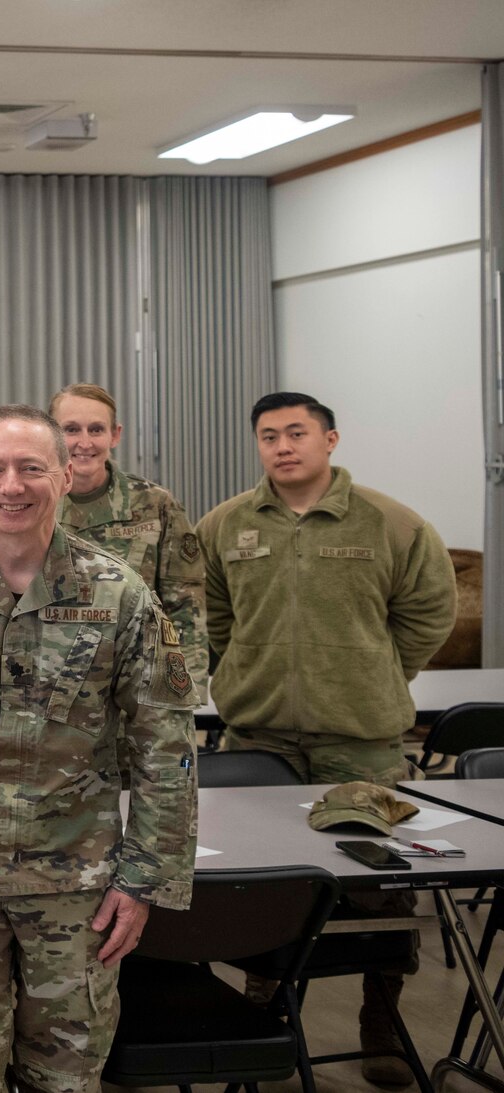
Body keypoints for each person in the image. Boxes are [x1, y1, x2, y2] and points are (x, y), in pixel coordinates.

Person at [0, 404, 198, 1093]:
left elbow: (165, 745)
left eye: (30, 468)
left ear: (67, 471)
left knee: (67, 1071)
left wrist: (142, 880)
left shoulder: (117, 594)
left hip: (75, 882)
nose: (11, 486)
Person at [196, 391, 454, 1089]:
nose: (283, 445)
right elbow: (214, 611)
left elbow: (431, 609)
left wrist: (376, 670)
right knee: (258, 883)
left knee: (380, 884)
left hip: (359, 740)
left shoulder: (390, 522)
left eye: (297, 432)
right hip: (258, 735)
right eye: (269, 435)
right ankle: (262, 1004)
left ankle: (381, 1021)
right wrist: (241, 668)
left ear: (330, 440)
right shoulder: (226, 523)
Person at [51, 383, 206, 666]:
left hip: (137, 677)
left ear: (115, 435)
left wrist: (186, 686)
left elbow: (185, 605)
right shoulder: (31, 502)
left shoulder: (156, 504)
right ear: (51, 435)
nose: (84, 443)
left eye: (96, 429)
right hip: (51, 677)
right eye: (71, 429)